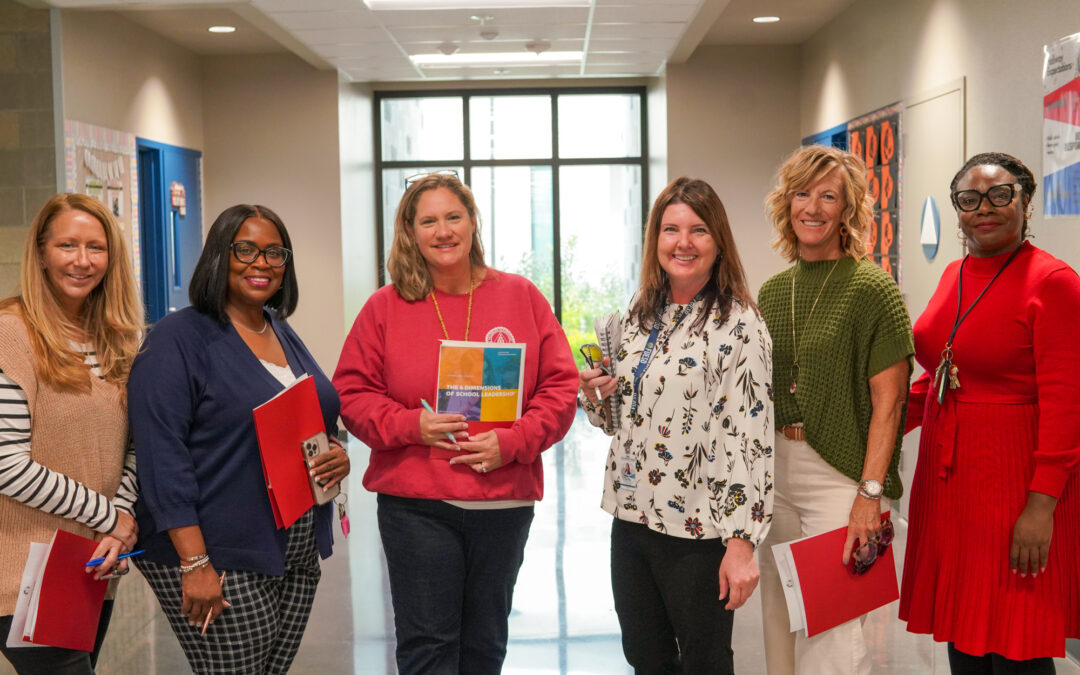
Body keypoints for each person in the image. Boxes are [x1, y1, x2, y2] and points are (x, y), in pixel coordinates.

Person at [333, 172, 578, 675]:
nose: (442, 231)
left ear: (472, 222)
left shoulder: (521, 296)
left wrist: (511, 442)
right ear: (410, 231)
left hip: (503, 502)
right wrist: (410, 427)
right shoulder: (385, 307)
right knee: (428, 647)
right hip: (418, 505)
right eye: (428, 221)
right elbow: (352, 395)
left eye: (453, 217)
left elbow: (560, 388)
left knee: (485, 647)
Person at [129, 204, 349, 674]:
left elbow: (311, 415)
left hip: (291, 539)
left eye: (275, 253)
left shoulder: (277, 327)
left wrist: (337, 454)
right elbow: (161, 457)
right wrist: (195, 563)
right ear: (218, 256)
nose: (262, 263)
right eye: (245, 249)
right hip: (217, 550)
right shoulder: (176, 339)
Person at [579, 176, 773, 674]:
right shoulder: (640, 314)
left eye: (698, 230)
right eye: (670, 229)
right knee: (646, 657)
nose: (683, 242)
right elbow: (620, 420)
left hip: (700, 531)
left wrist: (741, 542)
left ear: (718, 243)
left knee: (705, 662)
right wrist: (595, 394)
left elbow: (748, 440)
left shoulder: (739, 324)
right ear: (655, 240)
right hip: (632, 519)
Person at [899, 152, 1080, 673]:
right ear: (957, 210)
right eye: (970, 199)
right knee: (965, 631)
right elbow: (944, 373)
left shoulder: (1053, 282)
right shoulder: (955, 272)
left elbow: (1069, 406)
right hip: (952, 484)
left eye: (1001, 195)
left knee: (1015, 639)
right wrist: (882, 426)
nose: (985, 208)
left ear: (1025, 201)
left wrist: (1040, 507)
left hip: (1014, 482)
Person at [756, 145, 913, 675]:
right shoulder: (774, 292)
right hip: (776, 470)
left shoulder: (873, 289)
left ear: (848, 209)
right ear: (787, 203)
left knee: (831, 629)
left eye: (829, 196)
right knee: (777, 614)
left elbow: (889, 402)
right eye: (803, 193)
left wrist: (871, 493)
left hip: (840, 477)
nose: (814, 207)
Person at [0, 194, 143, 674]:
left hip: (91, 562)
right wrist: (110, 516)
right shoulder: (11, 334)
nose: (83, 260)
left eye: (96, 247)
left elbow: (133, 446)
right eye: (67, 245)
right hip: (24, 568)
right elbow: (6, 465)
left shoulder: (117, 339)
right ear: (40, 253)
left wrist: (118, 519)